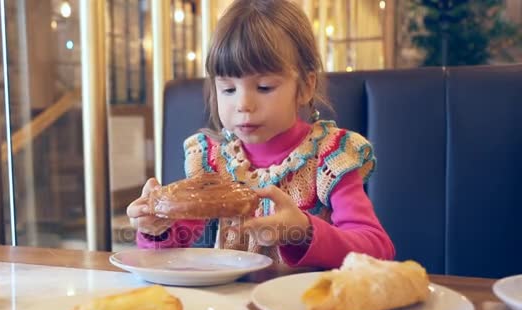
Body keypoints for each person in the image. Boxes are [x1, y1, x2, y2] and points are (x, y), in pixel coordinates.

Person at [127, 0, 394, 269]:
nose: (243, 104)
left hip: (305, 303)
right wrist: (155, 227)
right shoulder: (212, 160)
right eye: (228, 89)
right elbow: (172, 246)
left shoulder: (330, 158)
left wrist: (304, 230)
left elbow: (377, 250)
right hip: (231, 303)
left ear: (305, 87)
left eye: (264, 87)